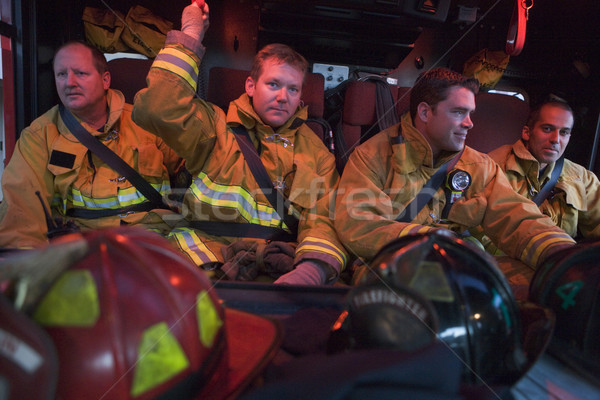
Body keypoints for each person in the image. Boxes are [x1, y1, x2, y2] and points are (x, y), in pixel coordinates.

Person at [131, 2, 347, 285]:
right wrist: (192, 34)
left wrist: (311, 270)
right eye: (273, 84)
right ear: (250, 86)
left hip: (275, 265)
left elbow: (324, 217)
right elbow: (157, 108)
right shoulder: (215, 128)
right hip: (201, 258)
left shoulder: (317, 153)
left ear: (300, 96)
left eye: (292, 89)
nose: (283, 96)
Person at [334, 67, 575, 280]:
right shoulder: (371, 156)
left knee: (544, 281)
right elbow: (359, 226)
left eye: (470, 113)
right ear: (425, 113)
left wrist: (564, 257)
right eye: (459, 112)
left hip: (459, 262)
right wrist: (434, 239)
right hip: (390, 265)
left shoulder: (478, 165)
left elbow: (515, 217)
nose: (470, 123)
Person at [0, 41, 184, 249]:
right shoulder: (39, 136)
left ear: (105, 80)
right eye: (61, 74)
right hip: (81, 250)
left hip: (153, 242)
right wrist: (27, 268)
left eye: (80, 73)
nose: (69, 82)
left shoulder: (145, 122)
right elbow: (21, 211)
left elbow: (188, 169)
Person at [479, 98, 600, 254]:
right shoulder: (492, 169)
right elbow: (481, 237)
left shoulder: (581, 178)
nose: (555, 140)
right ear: (527, 132)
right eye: (547, 129)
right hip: (505, 264)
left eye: (564, 132)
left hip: (558, 264)